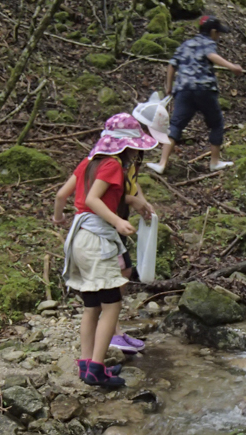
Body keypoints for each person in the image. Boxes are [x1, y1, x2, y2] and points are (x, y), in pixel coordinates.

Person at [53, 113, 159, 387]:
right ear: (127, 146)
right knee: (111, 304)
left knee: (91, 305)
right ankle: (97, 368)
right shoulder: (112, 165)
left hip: (78, 239)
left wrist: (58, 218)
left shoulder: (88, 163)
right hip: (97, 240)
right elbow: (92, 199)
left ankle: (86, 364)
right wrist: (117, 220)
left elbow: (62, 195)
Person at [101, 94, 172, 354]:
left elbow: (132, 182)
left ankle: (113, 329)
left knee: (124, 271)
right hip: (105, 221)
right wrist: (132, 200)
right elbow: (104, 191)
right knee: (116, 273)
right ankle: (110, 330)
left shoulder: (134, 154)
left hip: (118, 219)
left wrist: (142, 201)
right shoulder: (116, 152)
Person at [146, 15, 243, 175]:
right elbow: (211, 56)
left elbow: (171, 65)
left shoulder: (187, 44)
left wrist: (169, 87)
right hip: (203, 89)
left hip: (183, 90)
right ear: (212, 31)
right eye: (218, 33)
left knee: (176, 125)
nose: (218, 36)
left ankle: (162, 163)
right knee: (216, 124)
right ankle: (215, 162)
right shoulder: (208, 43)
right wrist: (232, 67)